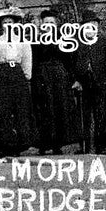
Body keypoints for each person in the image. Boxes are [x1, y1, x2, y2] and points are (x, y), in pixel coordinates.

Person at [0, 7, 35, 158]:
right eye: (5, 22)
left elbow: (27, 59)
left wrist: (25, 76)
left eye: (11, 22)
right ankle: (5, 147)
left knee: (20, 110)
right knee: (4, 111)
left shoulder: (22, 40)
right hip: (3, 74)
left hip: (18, 75)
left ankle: (19, 146)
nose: (8, 25)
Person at [30, 9, 79, 155]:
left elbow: (70, 60)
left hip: (59, 78)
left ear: (56, 24)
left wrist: (73, 78)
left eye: (52, 23)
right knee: (44, 110)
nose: (49, 25)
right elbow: (33, 61)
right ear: (42, 24)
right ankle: (43, 145)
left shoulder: (63, 39)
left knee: (59, 109)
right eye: (46, 23)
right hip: (42, 78)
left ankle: (58, 145)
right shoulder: (37, 40)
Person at [72, 10, 106, 154]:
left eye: (93, 25)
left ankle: (101, 146)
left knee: (100, 115)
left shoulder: (103, 43)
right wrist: (76, 80)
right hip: (84, 85)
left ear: (96, 27)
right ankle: (84, 147)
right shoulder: (78, 44)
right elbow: (72, 65)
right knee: (83, 116)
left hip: (101, 84)